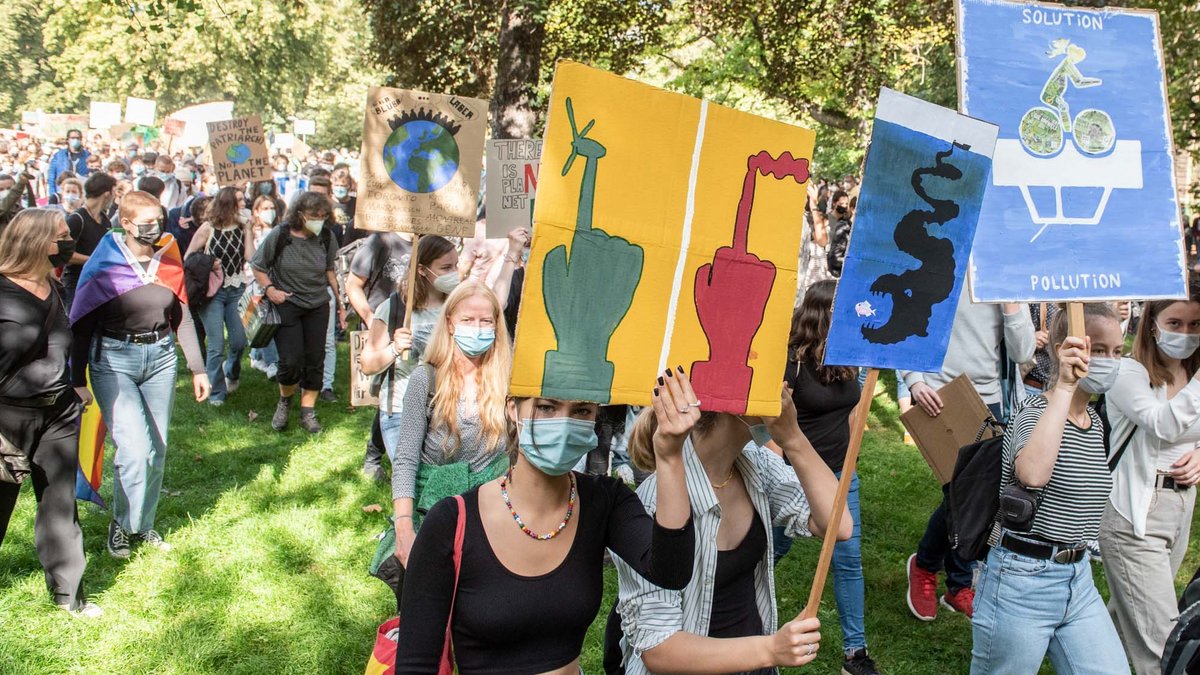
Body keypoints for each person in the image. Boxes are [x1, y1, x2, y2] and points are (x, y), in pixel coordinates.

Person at [396, 370, 698, 672]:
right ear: (514, 409)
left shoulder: (604, 501)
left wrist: (670, 458)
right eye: (546, 407)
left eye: (580, 410)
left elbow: (670, 571)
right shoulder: (450, 523)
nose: (563, 423)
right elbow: (416, 664)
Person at [607, 379, 849, 674]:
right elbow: (659, 650)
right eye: (768, 374)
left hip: (755, 665)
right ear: (732, 405)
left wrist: (794, 438)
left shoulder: (754, 464)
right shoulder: (654, 505)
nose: (785, 386)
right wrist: (771, 649)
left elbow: (838, 525)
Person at [970, 303, 1129, 673]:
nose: (1110, 361)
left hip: (1078, 579)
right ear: (1065, 348)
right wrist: (1066, 387)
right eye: (1099, 350)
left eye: (1117, 352)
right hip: (1021, 580)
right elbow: (1032, 475)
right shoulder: (1035, 411)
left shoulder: (1093, 421)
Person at [69, 191, 210, 559]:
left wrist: (198, 368)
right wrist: (76, 379)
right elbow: (81, 323)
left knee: (156, 450)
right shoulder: (104, 264)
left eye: (158, 219)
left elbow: (183, 317)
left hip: (161, 359)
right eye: (146, 222)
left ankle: (143, 524)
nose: (155, 227)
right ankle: (122, 524)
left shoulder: (168, 259)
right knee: (133, 450)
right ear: (126, 223)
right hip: (113, 359)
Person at [901, 292, 1035, 620]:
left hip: (991, 400)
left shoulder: (1004, 273)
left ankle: (953, 581)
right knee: (958, 496)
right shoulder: (943, 253)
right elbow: (904, 319)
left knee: (981, 498)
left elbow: (1023, 352)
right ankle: (929, 569)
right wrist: (914, 381)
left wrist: (1011, 304)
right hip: (940, 396)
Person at [778, 279, 879, 674]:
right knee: (772, 547)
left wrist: (850, 460)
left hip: (838, 474)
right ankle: (736, 608)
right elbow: (774, 424)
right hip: (792, 474)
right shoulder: (792, 361)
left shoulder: (849, 356)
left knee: (848, 557)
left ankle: (856, 653)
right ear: (824, 313)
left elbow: (853, 410)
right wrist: (777, 469)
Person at [0, 208, 98, 617]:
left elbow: (59, 346)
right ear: (37, 243)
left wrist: (74, 386)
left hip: (57, 412)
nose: (68, 243)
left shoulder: (53, 285)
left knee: (59, 504)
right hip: (7, 417)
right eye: (61, 236)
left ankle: (67, 595)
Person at [1101, 293, 1200, 674]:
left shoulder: (1192, 373)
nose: (1186, 334)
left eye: (1195, 325)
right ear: (1153, 324)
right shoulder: (1128, 373)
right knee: (1162, 646)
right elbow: (1164, 423)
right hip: (1136, 514)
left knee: (1129, 617)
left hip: (1180, 509)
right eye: (1176, 324)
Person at [389, 281, 514, 567]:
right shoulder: (426, 379)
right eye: (468, 319)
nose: (478, 327)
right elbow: (406, 458)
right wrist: (404, 527)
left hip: (492, 513)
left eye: (486, 320)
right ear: (450, 323)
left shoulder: (507, 382)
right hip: (433, 510)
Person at [250, 192, 345, 433]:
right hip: (287, 304)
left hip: (318, 305)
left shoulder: (326, 236)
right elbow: (258, 266)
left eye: (323, 216)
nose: (319, 221)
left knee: (315, 360)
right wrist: (270, 289)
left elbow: (330, 271)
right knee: (290, 361)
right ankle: (285, 401)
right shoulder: (280, 235)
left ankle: (308, 412)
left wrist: (341, 304)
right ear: (300, 215)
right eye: (314, 216)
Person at [184, 187, 255, 406]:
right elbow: (188, 258)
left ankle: (231, 373)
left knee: (239, 340)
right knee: (216, 344)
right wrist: (208, 263)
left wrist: (249, 229)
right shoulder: (208, 228)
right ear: (228, 205)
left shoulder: (242, 227)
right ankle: (217, 392)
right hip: (212, 293)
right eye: (239, 201)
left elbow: (250, 257)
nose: (244, 204)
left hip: (236, 288)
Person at [61, 173, 117, 310]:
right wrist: (93, 260)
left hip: (97, 281)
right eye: (114, 191)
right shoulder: (77, 219)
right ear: (106, 194)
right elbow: (64, 254)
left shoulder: (105, 219)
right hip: (76, 282)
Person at [246, 196, 280, 379]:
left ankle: (256, 355)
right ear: (257, 211)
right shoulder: (253, 232)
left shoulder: (279, 231)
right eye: (265, 208)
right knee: (265, 322)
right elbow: (251, 257)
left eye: (272, 207)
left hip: (275, 282)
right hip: (255, 282)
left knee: (268, 322)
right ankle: (272, 362)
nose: (270, 211)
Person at [47, 130, 90, 197]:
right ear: (68, 140)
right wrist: (53, 194)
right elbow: (51, 176)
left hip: (80, 193)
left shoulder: (87, 155)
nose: (75, 140)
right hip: (61, 191)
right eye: (73, 138)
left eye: (78, 138)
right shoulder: (59, 155)